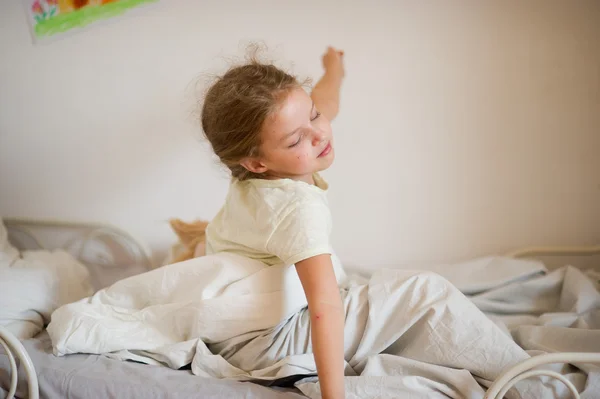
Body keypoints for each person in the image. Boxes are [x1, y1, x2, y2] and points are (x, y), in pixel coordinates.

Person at [201, 46, 348, 399]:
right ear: (256, 163)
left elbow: (326, 101)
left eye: (313, 116)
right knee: (423, 295)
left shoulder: (255, 170)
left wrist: (334, 68)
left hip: (224, 331)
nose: (319, 134)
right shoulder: (297, 209)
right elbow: (324, 308)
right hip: (261, 341)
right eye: (297, 139)